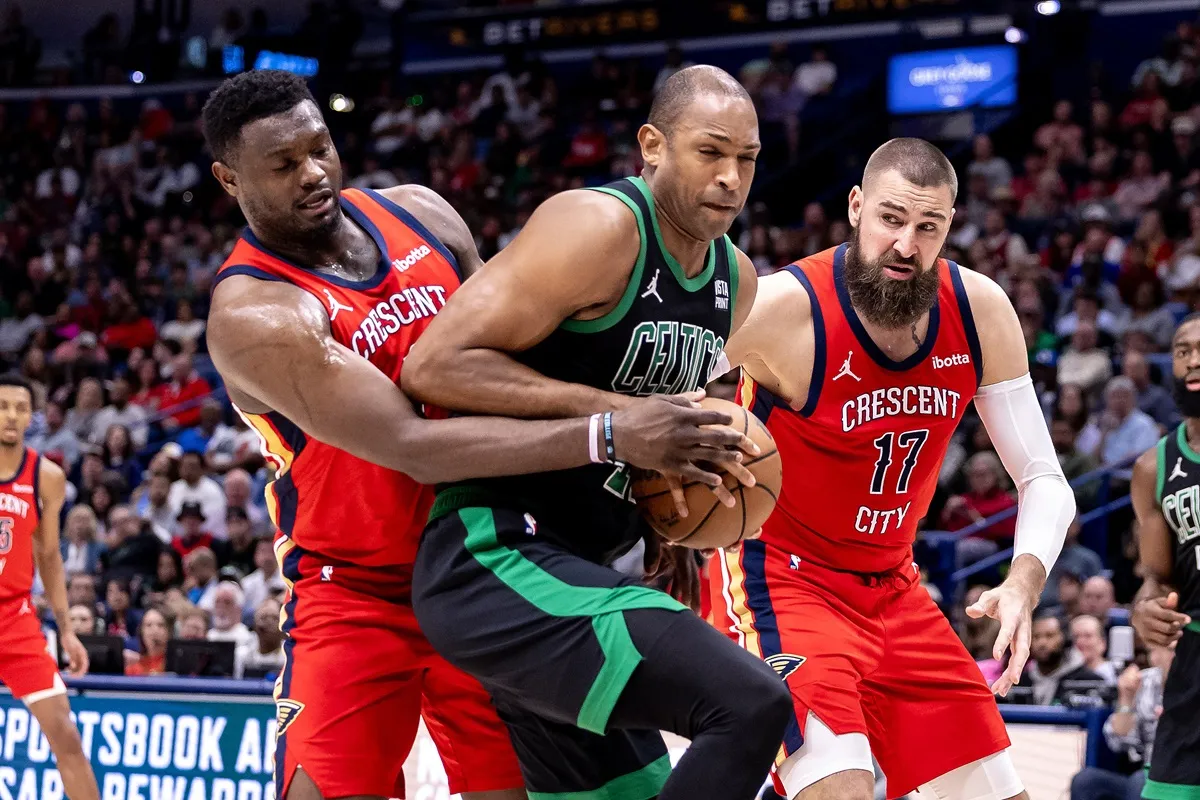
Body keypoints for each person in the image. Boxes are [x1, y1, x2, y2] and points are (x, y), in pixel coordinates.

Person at [201, 68, 750, 800]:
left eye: (320, 148)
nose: (313, 173)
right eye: (282, 164)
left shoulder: (422, 215)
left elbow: (528, 365)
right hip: (357, 593)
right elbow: (414, 448)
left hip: (488, 559)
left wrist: (643, 504)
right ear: (229, 181)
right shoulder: (256, 314)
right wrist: (617, 434)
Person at [402, 65, 792, 800]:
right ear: (652, 145)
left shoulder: (733, 280)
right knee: (750, 704)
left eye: (747, 158)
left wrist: (665, 528)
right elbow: (434, 364)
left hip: (583, 573)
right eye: (711, 152)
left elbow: (660, 424)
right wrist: (611, 422)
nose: (731, 177)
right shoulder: (597, 227)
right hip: (493, 554)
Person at [714, 138, 1076, 799]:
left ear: (949, 227)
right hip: (782, 580)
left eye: (928, 226)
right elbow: (646, 378)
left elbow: (1043, 476)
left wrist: (1025, 580)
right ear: (856, 207)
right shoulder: (783, 307)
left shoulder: (980, 310)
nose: (906, 244)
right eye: (891, 218)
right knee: (840, 788)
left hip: (895, 588)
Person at [0, 374, 100, 800]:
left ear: (31, 417)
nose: (11, 415)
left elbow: (50, 558)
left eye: (21, 408)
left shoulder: (47, 475)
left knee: (66, 735)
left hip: (15, 616)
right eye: (3, 405)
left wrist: (66, 628)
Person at [1129, 313, 1200, 800]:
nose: (1194, 359)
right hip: (1194, 662)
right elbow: (1157, 579)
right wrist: (1145, 608)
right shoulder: (1153, 467)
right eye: (1182, 350)